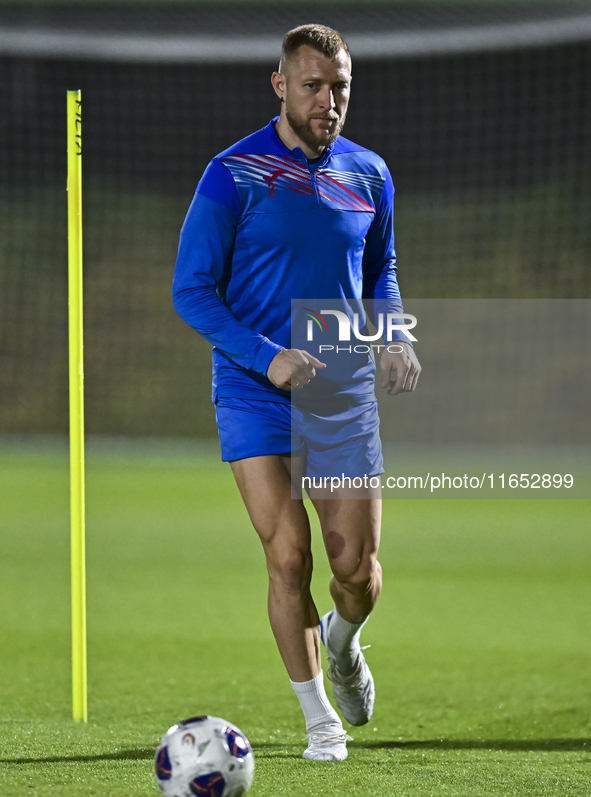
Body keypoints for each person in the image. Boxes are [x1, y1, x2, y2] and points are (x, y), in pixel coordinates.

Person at [173, 23, 421, 762]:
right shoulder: (232, 172)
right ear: (280, 85)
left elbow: (381, 268)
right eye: (312, 85)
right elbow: (192, 290)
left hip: (341, 392)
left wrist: (395, 333)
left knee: (356, 573)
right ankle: (320, 721)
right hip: (254, 388)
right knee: (288, 556)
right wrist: (265, 354)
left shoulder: (370, 173)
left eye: (339, 85)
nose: (328, 99)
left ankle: (344, 645)